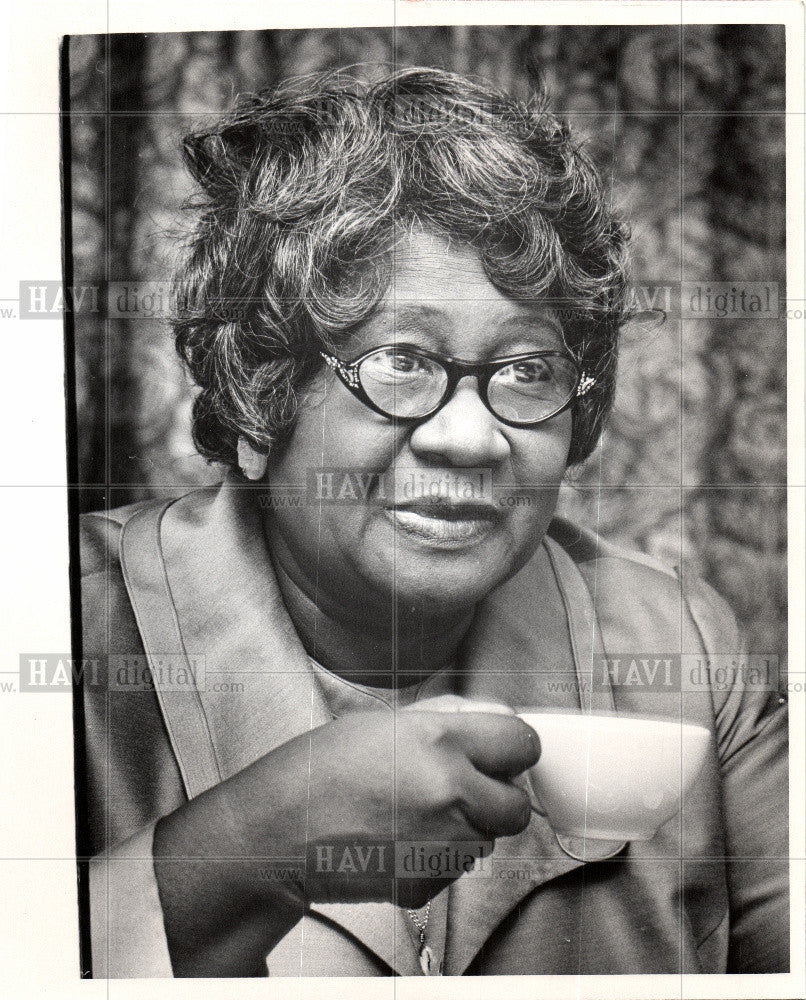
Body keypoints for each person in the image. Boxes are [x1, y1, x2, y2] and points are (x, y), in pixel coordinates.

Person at [78, 68, 788, 978]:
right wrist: (253, 843)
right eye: (401, 361)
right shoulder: (68, 631)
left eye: (528, 370)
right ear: (261, 405)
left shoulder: (682, 650)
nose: (472, 437)